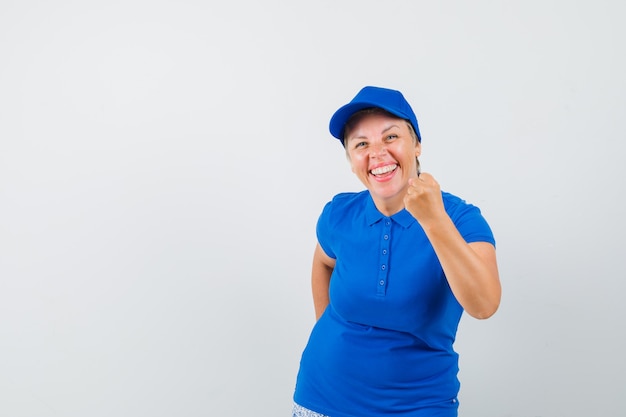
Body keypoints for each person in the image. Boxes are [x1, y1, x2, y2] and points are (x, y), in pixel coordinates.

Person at [292, 86, 501, 417]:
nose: (377, 152)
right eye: (361, 144)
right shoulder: (339, 214)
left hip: (417, 405)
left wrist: (433, 219)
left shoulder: (461, 219)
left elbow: (485, 304)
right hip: (322, 399)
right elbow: (323, 261)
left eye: (390, 137)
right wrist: (325, 330)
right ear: (352, 161)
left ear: (416, 145)